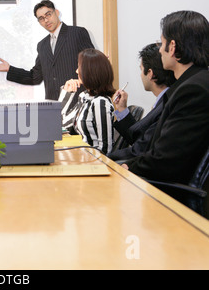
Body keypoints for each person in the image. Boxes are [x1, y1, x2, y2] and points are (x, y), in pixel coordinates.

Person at [123, 10, 209, 184]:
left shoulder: (193, 90)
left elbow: (165, 160)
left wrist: (127, 167)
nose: (160, 50)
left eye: (161, 44)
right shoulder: (194, 82)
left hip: (170, 197)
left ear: (173, 47)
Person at [0, 0, 94, 101]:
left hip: (78, 102)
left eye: (48, 14)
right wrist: (9, 69)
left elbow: (92, 66)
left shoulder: (77, 33)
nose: (46, 20)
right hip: (54, 106)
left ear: (56, 12)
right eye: (41, 18)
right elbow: (35, 77)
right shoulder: (42, 45)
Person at [108, 43, 175, 161]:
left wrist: (106, 158)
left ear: (150, 73)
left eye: (141, 69)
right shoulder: (164, 100)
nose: (140, 75)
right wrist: (122, 109)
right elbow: (140, 138)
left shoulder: (168, 103)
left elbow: (141, 148)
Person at [58, 48, 116, 154]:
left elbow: (106, 149)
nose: (76, 71)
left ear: (90, 71)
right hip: (81, 156)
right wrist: (66, 94)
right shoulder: (85, 97)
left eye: (79, 67)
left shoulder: (100, 103)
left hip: (92, 163)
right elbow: (61, 124)